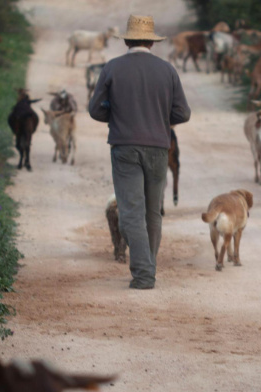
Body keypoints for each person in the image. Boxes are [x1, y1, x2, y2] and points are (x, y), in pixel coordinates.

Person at [89, 15, 191, 289]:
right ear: (151, 42)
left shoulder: (112, 68)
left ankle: (144, 274)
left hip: (124, 148)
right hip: (159, 148)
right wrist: (160, 120)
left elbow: (95, 110)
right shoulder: (167, 70)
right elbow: (183, 113)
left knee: (131, 213)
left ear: (127, 41)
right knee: (152, 213)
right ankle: (147, 268)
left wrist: (116, 116)